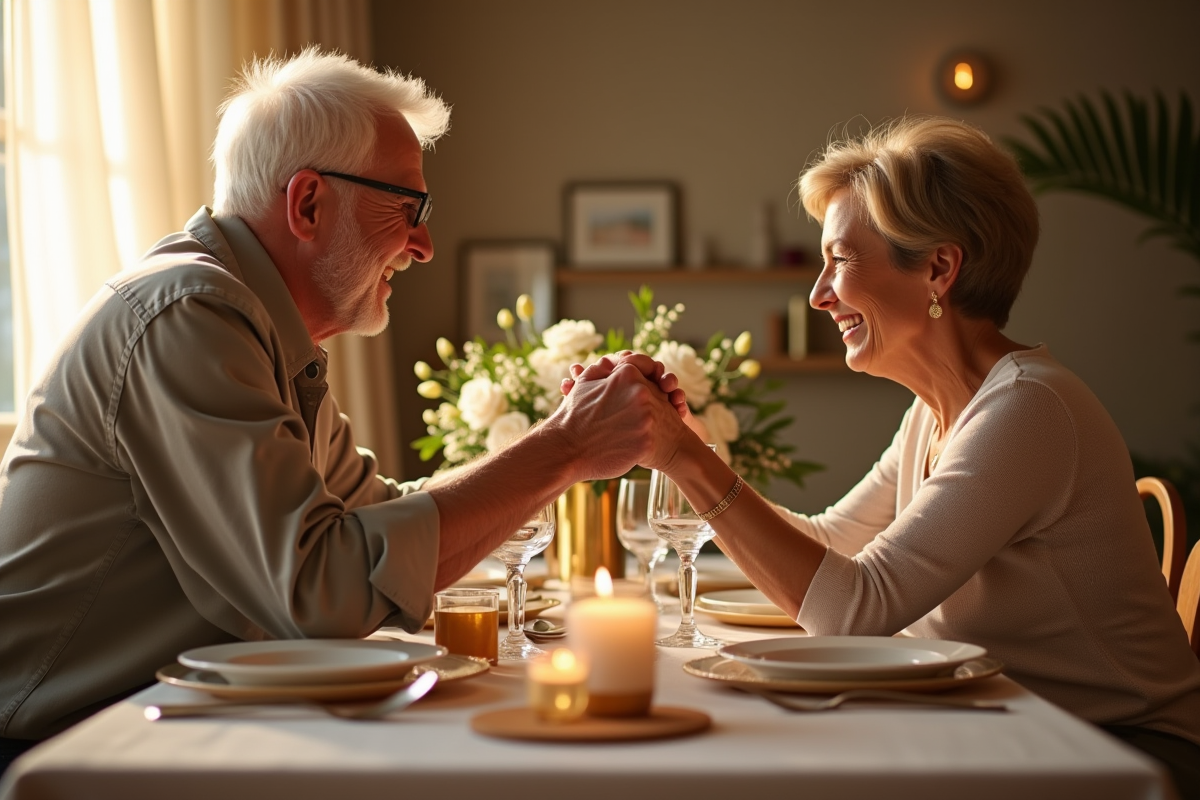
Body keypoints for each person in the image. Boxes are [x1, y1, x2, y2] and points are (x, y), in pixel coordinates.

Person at [0, 48, 683, 764]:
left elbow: (378, 519)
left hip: (165, 726)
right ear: (308, 203)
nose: (423, 245)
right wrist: (565, 447)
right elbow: (320, 591)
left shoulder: (254, 326)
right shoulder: (191, 314)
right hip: (59, 748)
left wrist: (565, 438)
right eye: (407, 208)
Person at [576, 117, 1200, 795]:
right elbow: (828, 545)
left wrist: (689, 466)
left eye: (840, 260)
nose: (817, 294)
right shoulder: (940, 409)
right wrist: (693, 450)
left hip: (1115, 757)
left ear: (938, 267)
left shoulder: (1027, 410)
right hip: (1003, 731)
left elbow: (854, 610)